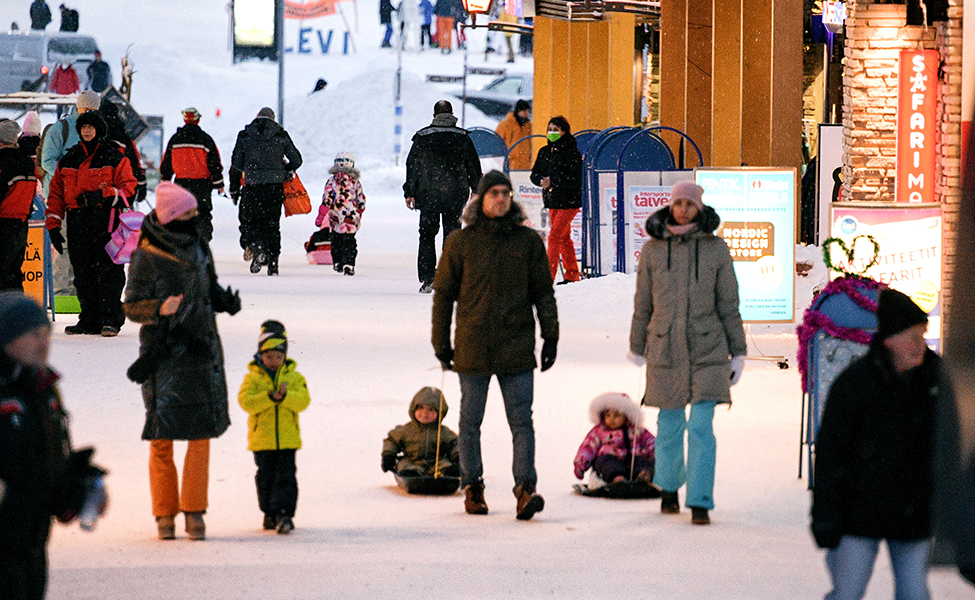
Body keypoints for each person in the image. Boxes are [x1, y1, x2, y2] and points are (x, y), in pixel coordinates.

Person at [431, 170, 558, 520]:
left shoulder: (528, 242)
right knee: (471, 422)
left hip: (516, 346)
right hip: (473, 346)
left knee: (522, 422)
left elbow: (543, 294)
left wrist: (551, 336)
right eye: (494, 193)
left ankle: (525, 489)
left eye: (506, 193)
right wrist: (441, 342)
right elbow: (443, 296)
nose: (501, 199)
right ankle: (473, 488)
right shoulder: (460, 242)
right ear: (480, 199)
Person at [811, 288, 950, 599]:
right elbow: (831, 453)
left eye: (922, 335)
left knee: (914, 593)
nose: (920, 345)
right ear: (889, 340)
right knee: (847, 592)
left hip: (913, 513)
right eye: (912, 336)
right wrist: (826, 518)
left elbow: (952, 447)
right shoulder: (855, 384)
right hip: (858, 515)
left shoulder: (936, 379)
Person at [123, 182, 241, 541]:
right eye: (190, 213)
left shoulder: (199, 246)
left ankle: (193, 511)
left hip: (201, 350)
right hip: (165, 356)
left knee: (200, 434)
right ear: (173, 217)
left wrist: (224, 301)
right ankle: (164, 514)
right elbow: (130, 306)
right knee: (162, 437)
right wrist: (159, 308)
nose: (197, 217)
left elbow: (209, 286)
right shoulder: (146, 255)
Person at [627, 180, 746, 526]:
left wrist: (737, 352)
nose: (682, 209)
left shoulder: (716, 249)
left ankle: (699, 498)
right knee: (669, 425)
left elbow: (729, 304)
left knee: (701, 426)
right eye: (678, 203)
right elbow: (643, 303)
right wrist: (637, 345)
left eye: (689, 204)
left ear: (700, 208)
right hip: (665, 347)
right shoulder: (652, 250)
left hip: (708, 347)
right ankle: (667, 488)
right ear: (670, 206)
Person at [0, 292, 107, 600]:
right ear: (7, 339)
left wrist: (78, 490)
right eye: (33, 334)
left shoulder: (44, 391)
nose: (44, 342)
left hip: (31, 546)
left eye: (47, 333)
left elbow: (45, 469)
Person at [45, 110, 136, 337]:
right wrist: (53, 226)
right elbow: (56, 194)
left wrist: (102, 195)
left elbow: (128, 189)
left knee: (108, 272)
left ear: (99, 130)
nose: (87, 131)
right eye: (83, 128)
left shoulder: (114, 157)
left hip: (106, 221)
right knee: (82, 272)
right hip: (77, 222)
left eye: (91, 127)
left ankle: (110, 319)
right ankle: (88, 319)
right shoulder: (69, 159)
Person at [238, 320, 310, 535]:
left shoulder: (294, 378)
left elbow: (303, 401)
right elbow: (246, 402)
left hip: (287, 440)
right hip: (262, 441)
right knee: (265, 477)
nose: (274, 361)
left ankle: (284, 514)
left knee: (286, 476)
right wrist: (269, 397)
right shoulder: (252, 379)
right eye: (269, 356)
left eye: (278, 357)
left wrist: (285, 396)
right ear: (260, 355)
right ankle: (269, 512)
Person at [403, 100, 481, 293]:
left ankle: (428, 278)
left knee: (427, 235)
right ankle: (450, 278)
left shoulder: (422, 137)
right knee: (453, 236)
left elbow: (412, 167)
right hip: (455, 195)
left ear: (434, 116)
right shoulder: (463, 137)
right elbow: (473, 165)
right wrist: (476, 189)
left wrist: (409, 192)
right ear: (452, 115)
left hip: (428, 195)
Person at [40, 90, 100, 298]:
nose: (90, 113)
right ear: (78, 107)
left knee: (81, 246)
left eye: (94, 110)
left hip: (84, 201)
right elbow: (46, 160)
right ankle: (60, 290)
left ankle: (75, 288)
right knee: (63, 244)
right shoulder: (61, 129)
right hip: (60, 199)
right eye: (87, 109)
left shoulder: (96, 132)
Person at [229, 107, 302, 276]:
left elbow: (236, 163)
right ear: (273, 119)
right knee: (272, 224)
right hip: (274, 187)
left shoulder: (245, 135)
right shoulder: (280, 134)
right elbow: (297, 160)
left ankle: (257, 248)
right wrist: (285, 168)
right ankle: (273, 262)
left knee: (250, 221)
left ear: (257, 117)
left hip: (252, 186)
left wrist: (251, 166)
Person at [530, 115, 583, 284]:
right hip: (552, 200)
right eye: (550, 129)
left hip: (569, 200)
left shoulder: (571, 152)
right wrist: (540, 181)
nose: (551, 133)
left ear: (564, 132)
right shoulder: (544, 152)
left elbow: (575, 177)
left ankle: (548, 277)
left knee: (554, 237)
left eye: (555, 130)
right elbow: (534, 173)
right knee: (564, 238)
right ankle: (572, 274)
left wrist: (554, 181)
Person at [159, 107, 224, 240]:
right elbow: (214, 164)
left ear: (185, 119)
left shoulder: (175, 140)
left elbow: (166, 162)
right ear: (198, 119)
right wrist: (218, 183)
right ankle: (202, 243)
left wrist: (165, 179)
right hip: (202, 186)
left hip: (180, 185)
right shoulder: (206, 140)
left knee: (181, 214)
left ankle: (182, 243)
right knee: (202, 215)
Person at [573, 392, 656, 485]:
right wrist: (581, 464)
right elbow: (588, 447)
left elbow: (652, 443)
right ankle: (617, 479)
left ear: (626, 416)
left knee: (644, 461)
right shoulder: (599, 431)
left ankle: (643, 476)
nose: (611, 419)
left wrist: (659, 458)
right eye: (608, 415)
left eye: (616, 415)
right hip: (611, 460)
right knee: (604, 462)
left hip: (633, 461)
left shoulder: (637, 430)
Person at [381, 386, 459, 478]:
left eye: (431, 409)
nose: (425, 413)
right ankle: (411, 475)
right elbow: (392, 441)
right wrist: (388, 456)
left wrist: (458, 457)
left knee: (445, 465)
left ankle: (447, 474)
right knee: (404, 465)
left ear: (440, 412)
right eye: (421, 408)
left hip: (436, 462)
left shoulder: (443, 432)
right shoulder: (406, 430)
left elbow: (455, 444)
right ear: (413, 409)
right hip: (412, 461)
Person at [0, 120, 37, 292]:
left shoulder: (3, 163)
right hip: (21, 224)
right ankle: (15, 311)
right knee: (15, 272)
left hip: (3, 222)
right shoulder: (27, 163)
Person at [316, 152, 365, 276]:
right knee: (350, 241)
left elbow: (327, 199)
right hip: (352, 217)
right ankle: (349, 263)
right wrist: (360, 210)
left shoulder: (331, 181)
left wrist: (321, 214)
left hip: (336, 216)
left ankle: (338, 261)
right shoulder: (355, 182)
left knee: (336, 239)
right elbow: (361, 199)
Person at [99, 100, 146, 204]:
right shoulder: (124, 138)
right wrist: (141, 183)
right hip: (121, 190)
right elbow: (134, 163)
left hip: (98, 190)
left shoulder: (94, 135)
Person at [495, 99, 532, 171]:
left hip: (525, 165)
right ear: (518, 111)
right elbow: (497, 143)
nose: (526, 113)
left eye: (527, 111)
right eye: (524, 111)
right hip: (510, 163)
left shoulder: (528, 126)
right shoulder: (505, 125)